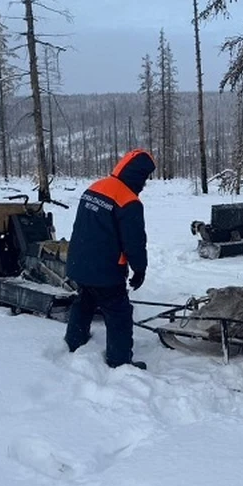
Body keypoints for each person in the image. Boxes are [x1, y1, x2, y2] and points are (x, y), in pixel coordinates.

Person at [65, 149, 156, 370]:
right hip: (105, 270)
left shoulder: (95, 187)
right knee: (119, 313)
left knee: (85, 301)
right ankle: (119, 360)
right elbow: (134, 241)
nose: (143, 185)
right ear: (136, 175)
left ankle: (74, 341)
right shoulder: (128, 200)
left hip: (79, 262)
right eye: (143, 178)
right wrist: (140, 269)